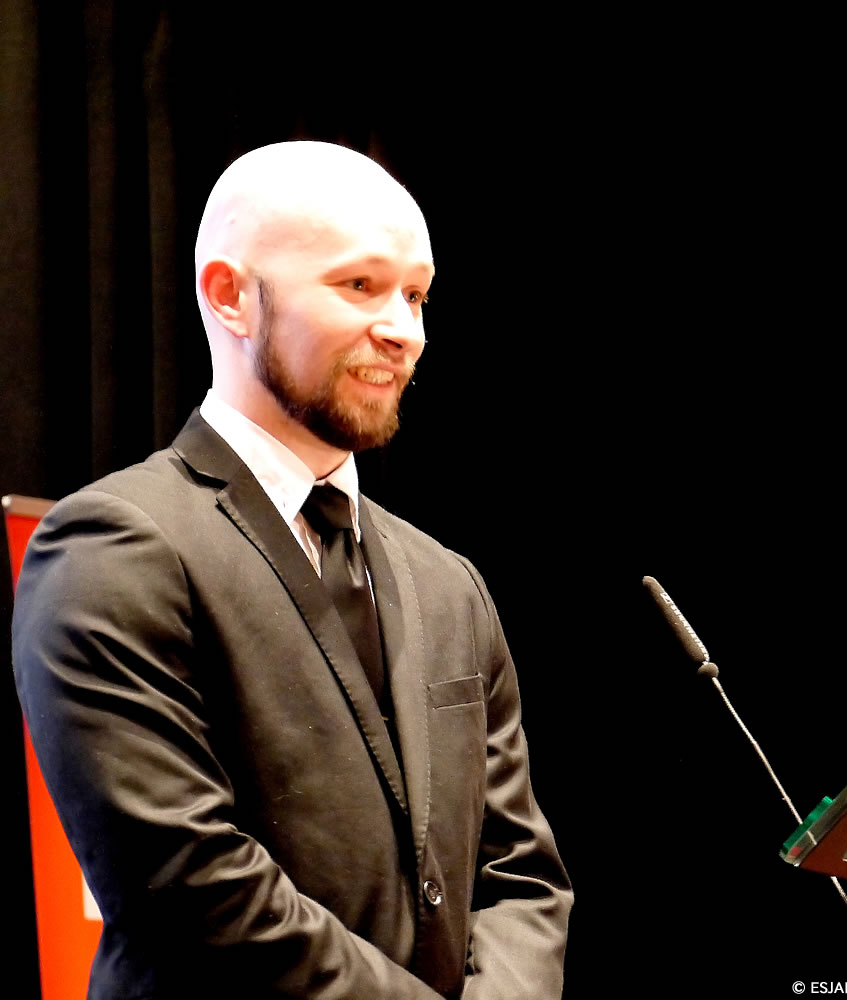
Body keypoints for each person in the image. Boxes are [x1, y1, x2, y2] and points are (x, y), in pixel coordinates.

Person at [12, 141, 572, 999]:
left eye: (416, 295)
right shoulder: (113, 547)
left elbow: (519, 877)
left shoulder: (447, 581)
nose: (404, 330)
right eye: (359, 285)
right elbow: (193, 890)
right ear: (229, 296)